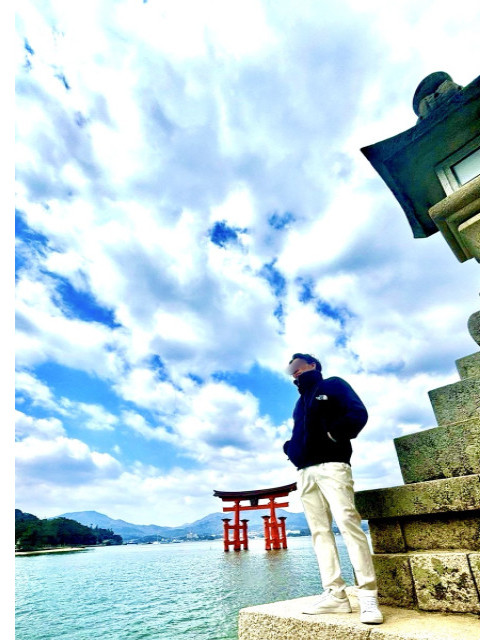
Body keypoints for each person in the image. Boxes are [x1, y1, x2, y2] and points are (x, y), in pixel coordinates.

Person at [283, 353, 383, 625]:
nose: (294, 371)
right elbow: (298, 433)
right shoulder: (299, 402)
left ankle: (368, 596)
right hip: (304, 471)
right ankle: (335, 595)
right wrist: (290, 449)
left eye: (297, 365)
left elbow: (358, 413)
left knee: (348, 523)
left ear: (312, 365)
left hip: (333, 465)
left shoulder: (333, 384)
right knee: (319, 532)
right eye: (291, 368)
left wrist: (334, 434)